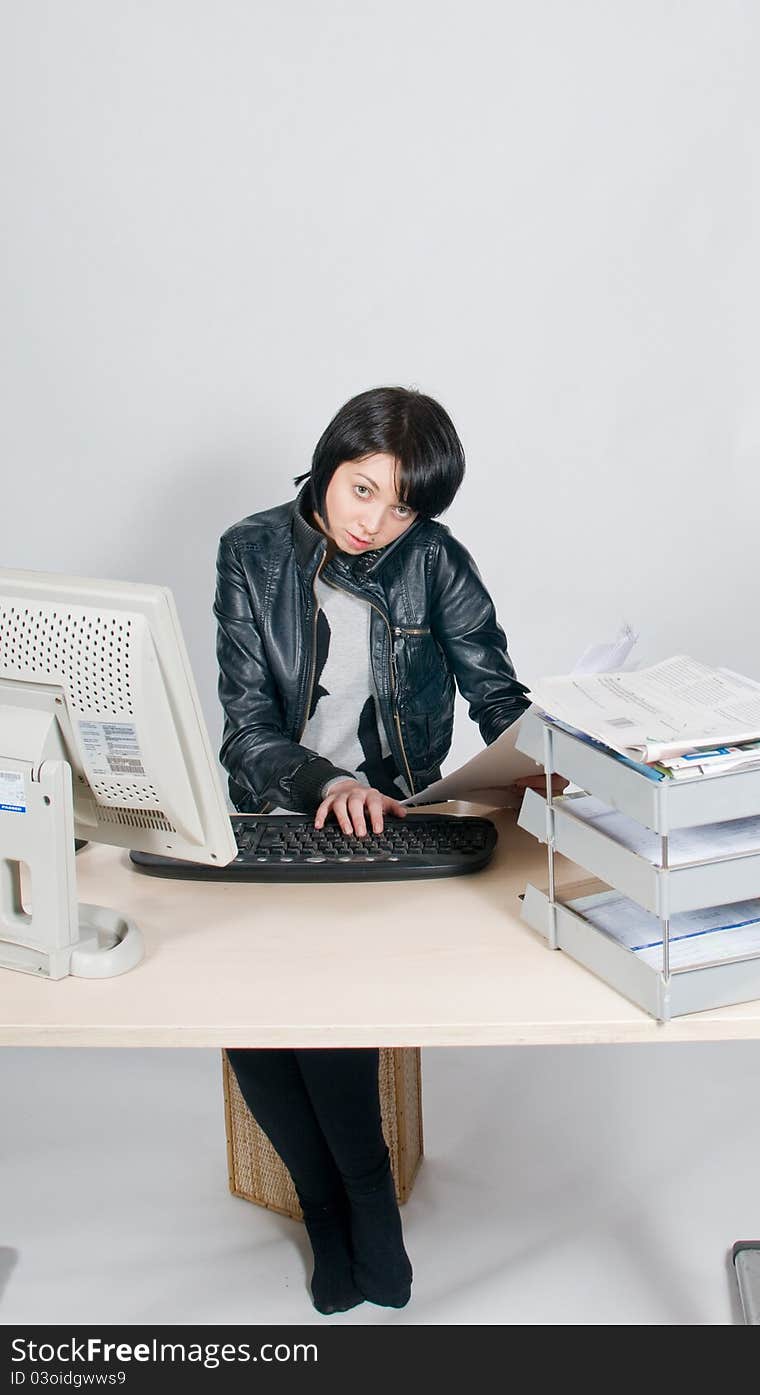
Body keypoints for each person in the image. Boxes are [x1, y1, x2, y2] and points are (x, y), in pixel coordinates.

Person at [214, 386, 552, 1314]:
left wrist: (541, 754)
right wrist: (324, 783)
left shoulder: (434, 561)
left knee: (326, 993)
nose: (377, 522)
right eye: (362, 490)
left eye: (402, 505)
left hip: (397, 815)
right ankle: (329, 1210)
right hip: (278, 811)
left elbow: (493, 687)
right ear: (328, 465)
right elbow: (245, 730)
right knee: (246, 1007)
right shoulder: (249, 551)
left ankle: (369, 1202)